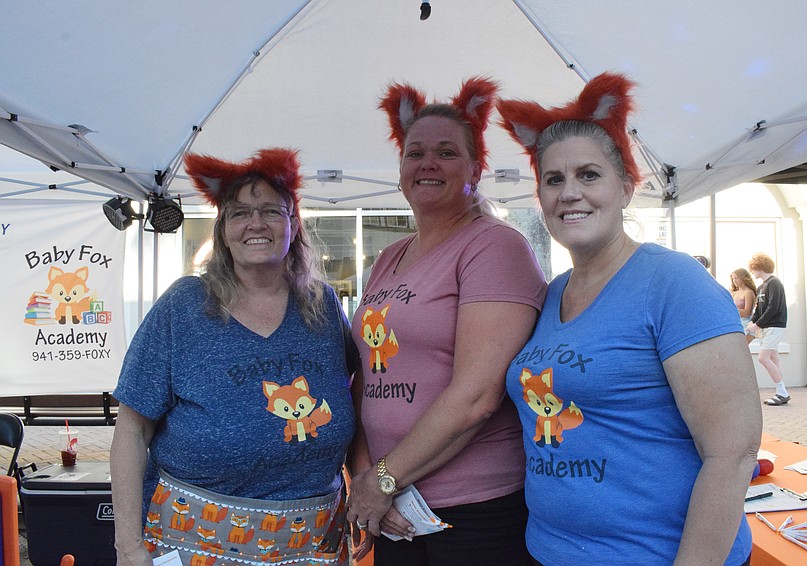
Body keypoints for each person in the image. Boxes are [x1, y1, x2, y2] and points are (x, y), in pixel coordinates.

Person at [497, 72, 761, 564]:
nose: (569, 192)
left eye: (588, 175)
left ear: (625, 186)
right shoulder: (552, 294)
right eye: (553, 180)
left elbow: (733, 454)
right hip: (548, 550)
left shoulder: (675, 283)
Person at [110, 148, 358, 565]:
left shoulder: (323, 306)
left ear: (293, 224)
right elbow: (132, 431)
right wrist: (127, 545)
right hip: (192, 538)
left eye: (270, 211)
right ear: (223, 229)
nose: (256, 224)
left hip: (312, 544)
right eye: (240, 213)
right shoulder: (184, 305)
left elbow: (359, 396)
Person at [345, 77, 548, 565]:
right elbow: (365, 378)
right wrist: (366, 476)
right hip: (393, 506)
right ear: (400, 169)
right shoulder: (388, 257)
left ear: (475, 169)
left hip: (473, 509)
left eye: (446, 152)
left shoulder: (494, 246)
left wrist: (383, 480)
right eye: (415, 153)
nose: (428, 164)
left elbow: (477, 396)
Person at [746, 252, 790, 405]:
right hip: (768, 327)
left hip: (775, 326)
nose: (752, 271)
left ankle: (782, 392)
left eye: (753, 268)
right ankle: (781, 391)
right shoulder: (761, 287)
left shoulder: (774, 283)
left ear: (760, 267)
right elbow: (759, 310)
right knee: (773, 358)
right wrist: (752, 323)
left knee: (763, 358)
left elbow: (773, 307)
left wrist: (757, 324)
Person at [730, 267, 758, 344]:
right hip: (736, 324)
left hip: (747, 326)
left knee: (741, 349)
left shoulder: (749, 292)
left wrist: (732, 310)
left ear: (744, 278)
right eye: (733, 278)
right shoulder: (734, 293)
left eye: (736, 278)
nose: (734, 280)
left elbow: (747, 312)